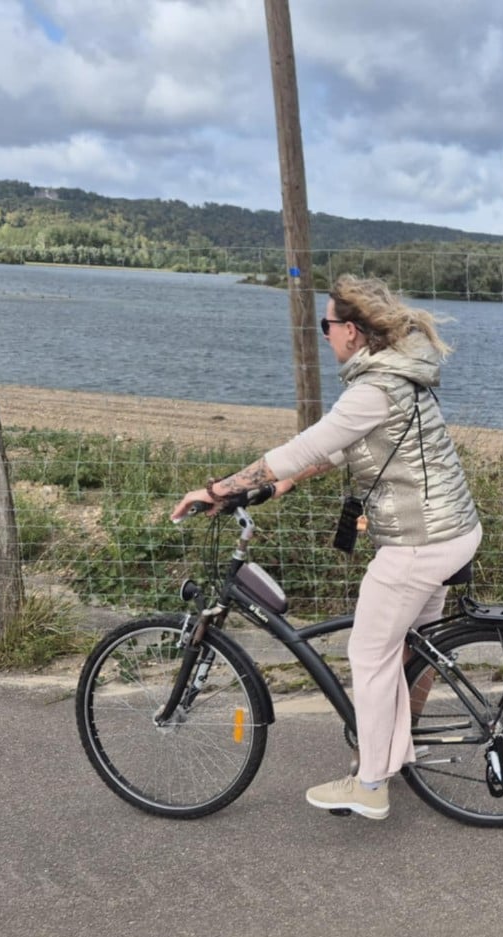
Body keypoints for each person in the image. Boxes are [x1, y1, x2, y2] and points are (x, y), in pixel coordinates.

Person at [170, 274, 481, 821]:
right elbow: (340, 448)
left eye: (328, 325)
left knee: (368, 652)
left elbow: (305, 445)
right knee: (412, 646)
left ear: (354, 333)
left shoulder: (372, 389)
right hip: (450, 530)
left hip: (419, 542)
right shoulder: (395, 375)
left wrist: (218, 490)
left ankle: (370, 784)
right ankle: (395, 753)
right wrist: (283, 484)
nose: (325, 335)